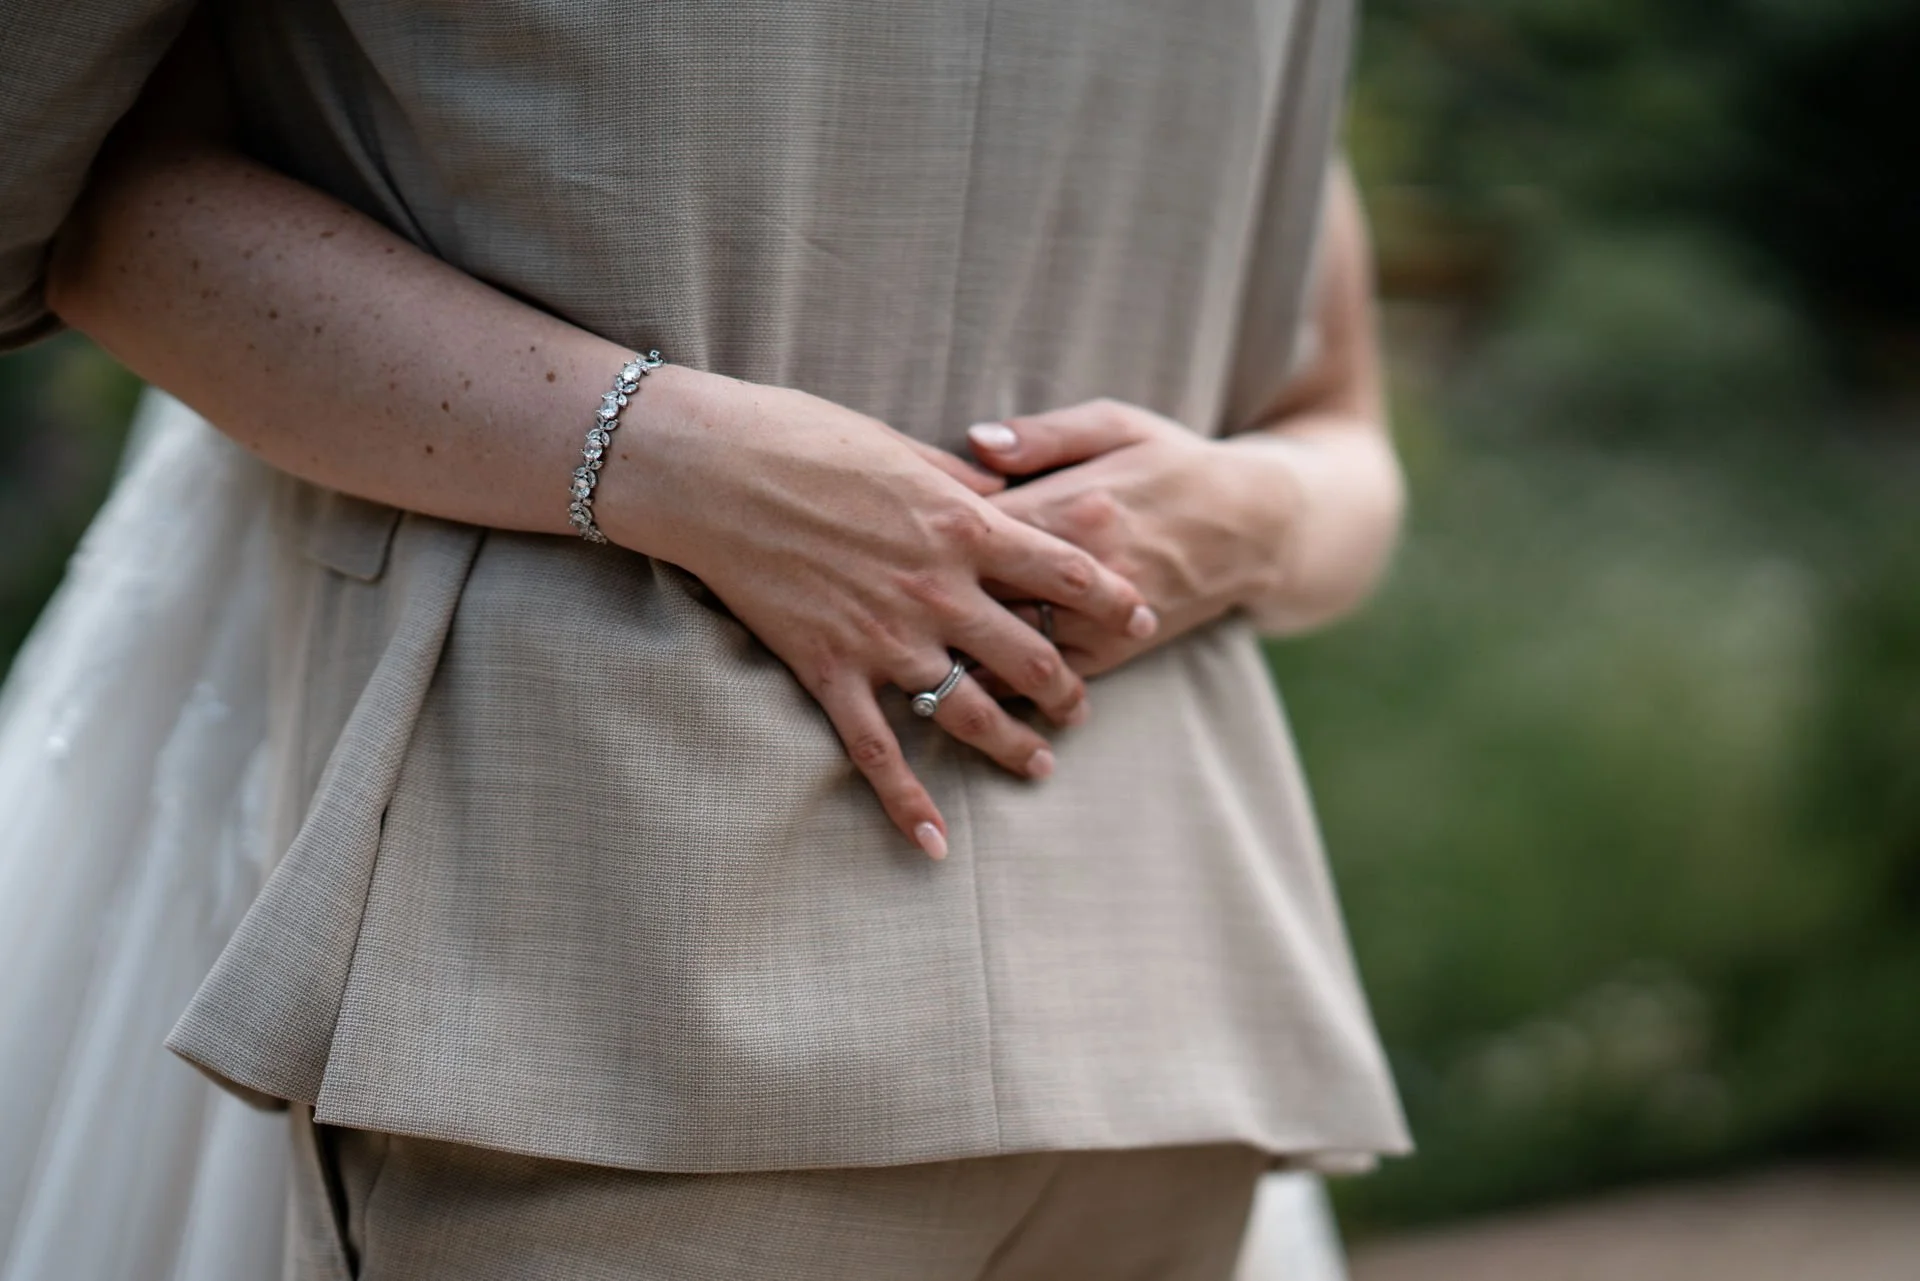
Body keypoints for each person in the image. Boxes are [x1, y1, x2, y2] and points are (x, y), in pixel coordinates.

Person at [1, 0, 1409, 1276]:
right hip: (745, 995)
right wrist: (674, 457)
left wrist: (1250, 514)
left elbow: (70, 200)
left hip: (701, 965)